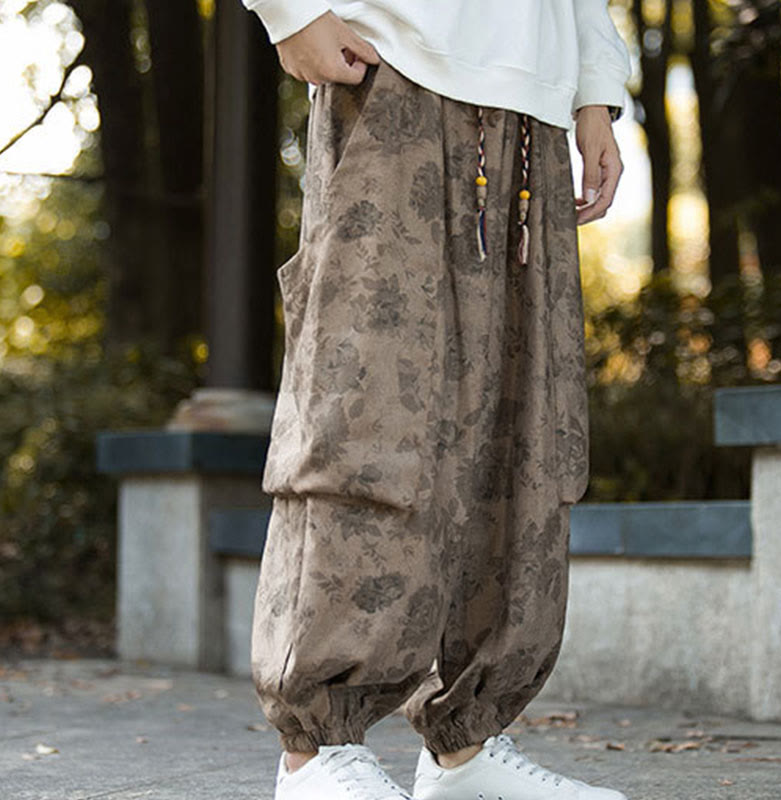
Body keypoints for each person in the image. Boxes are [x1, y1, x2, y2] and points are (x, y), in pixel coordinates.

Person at [241, 1, 632, 798]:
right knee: (368, 411)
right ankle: (316, 754)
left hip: (536, 105)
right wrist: (288, 9)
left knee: (522, 427)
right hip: (393, 64)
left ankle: (466, 747)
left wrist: (595, 85)